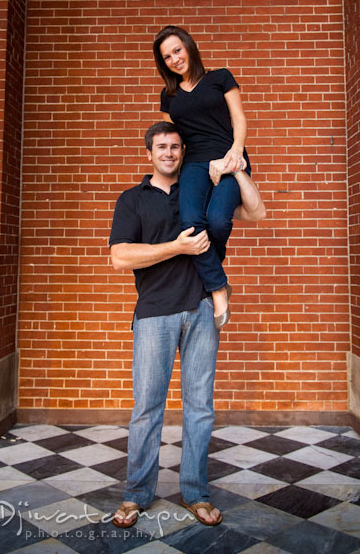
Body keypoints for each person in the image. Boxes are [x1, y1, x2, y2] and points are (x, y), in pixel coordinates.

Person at [109, 122, 262, 530]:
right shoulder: (132, 199)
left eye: (176, 147)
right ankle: (136, 494)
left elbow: (256, 211)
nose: (170, 153)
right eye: (162, 147)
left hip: (200, 311)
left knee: (199, 409)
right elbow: (120, 257)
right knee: (146, 409)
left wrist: (237, 166)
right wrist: (175, 246)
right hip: (154, 313)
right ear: (149, 153)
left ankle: (195, 492)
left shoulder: (202, 191)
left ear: (183, 151)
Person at [154, 25, 265, 327]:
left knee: (217, 220)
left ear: (189, 47)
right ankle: (218, 287)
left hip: (229, 158)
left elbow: (239, 118)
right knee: (191, 224)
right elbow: (172, 138)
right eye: (167, 57)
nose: (174, 59)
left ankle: (209, 273)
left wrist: (235, 155)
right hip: (194, 165)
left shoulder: (220, 78)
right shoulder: (169, 95)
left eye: (177, 50)